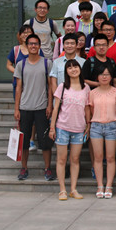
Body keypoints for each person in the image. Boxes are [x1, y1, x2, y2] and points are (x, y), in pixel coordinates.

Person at [13, 34, 54, 181]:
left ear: (39, 46)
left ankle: (47, 168)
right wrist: (16, 108)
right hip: (25, 107)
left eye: (36, 44)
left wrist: (50, 105)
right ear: (27, 45)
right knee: (24, 142)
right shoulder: (21, 65)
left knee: (45, 141)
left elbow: (50, 86)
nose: (33, 46)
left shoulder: (47, 63)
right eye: (30, 44)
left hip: (42, 107)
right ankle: (24, 168)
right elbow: (18, 88)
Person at [49, 59, 91, 200]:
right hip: (62, 127)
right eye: (70, 68)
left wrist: (88, 124)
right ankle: (62, 190)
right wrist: (52, 128)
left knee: (75, 159)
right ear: (66, 71)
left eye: (75, 67)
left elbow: (87, 108)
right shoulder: (62, 87)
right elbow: (56, 108)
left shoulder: (86, 87)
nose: (73, 70)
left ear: (80, 68)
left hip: (79, 128)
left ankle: (73, 189)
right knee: (61, 159)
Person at [88, 66, 116, 199]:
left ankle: (109, 185)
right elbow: (90, 110)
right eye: (101, 74)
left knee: (110, 157)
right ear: (97, 77)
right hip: (96, 126)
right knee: (98, 157)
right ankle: (100, 185)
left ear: (111, 77)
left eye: (107, 74)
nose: (104, 77)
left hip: (112, 126)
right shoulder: (92, 93)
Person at [7, 24, 40, 98]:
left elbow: (42, 64)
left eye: (29, 32)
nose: (26, 34)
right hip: (19, 82)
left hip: (34, 83)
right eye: (24, 33)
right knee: (18, 103)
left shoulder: (37, 49)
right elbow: (8, 65)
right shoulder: (15, 50)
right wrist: (17, 72)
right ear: (20, 35)